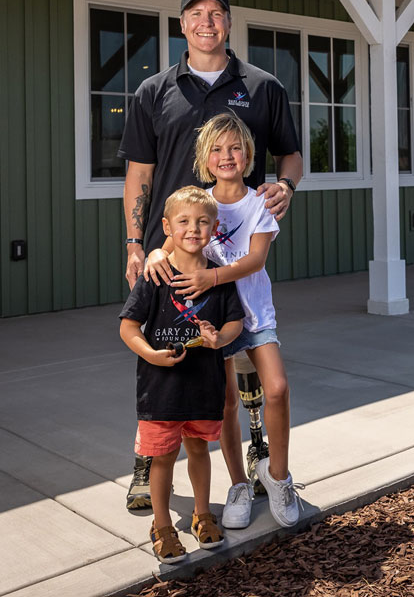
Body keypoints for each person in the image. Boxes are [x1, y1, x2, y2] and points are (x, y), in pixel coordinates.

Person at [119, 0, 303, 510]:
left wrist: (286, 185)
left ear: (228, 22)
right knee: (163, 355)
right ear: (182, 24)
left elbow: (291, 155)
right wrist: (136, 243)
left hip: (234, 249)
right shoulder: (153, 91)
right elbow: (139, 175)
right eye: (196, 13)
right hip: (169, 255)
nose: (206, 22)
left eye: (216, 13)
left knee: (233, 357)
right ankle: (147, 462)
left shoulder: (262, 87)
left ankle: (257, 453)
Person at [145, 112, 300, 528]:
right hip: (213, 318)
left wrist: (210, 276)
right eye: (216, 149)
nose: (226, 156)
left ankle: (279, 477)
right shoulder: (199, 202)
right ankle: (238, 485)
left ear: (248, 154)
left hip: (255, 313)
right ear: (204, 157)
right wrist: (156, 253)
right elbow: (171, 242)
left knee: (277, 389)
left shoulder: (259, 203)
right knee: (227, 403)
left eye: (235, 148)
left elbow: (256, 259)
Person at [119, 186, 245, 563]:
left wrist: (219, 338)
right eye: (184, 221)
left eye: (203, 222)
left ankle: (202, 514)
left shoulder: (219, 279)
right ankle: (162, 526)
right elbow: (128, 327)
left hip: (204, 386)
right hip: (161, 390)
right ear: (167, 227)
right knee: (163, 458)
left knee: (198, 451)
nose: (193, 229)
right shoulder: (155, 276)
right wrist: (150, 355)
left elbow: (235, 323)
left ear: (214, 228)